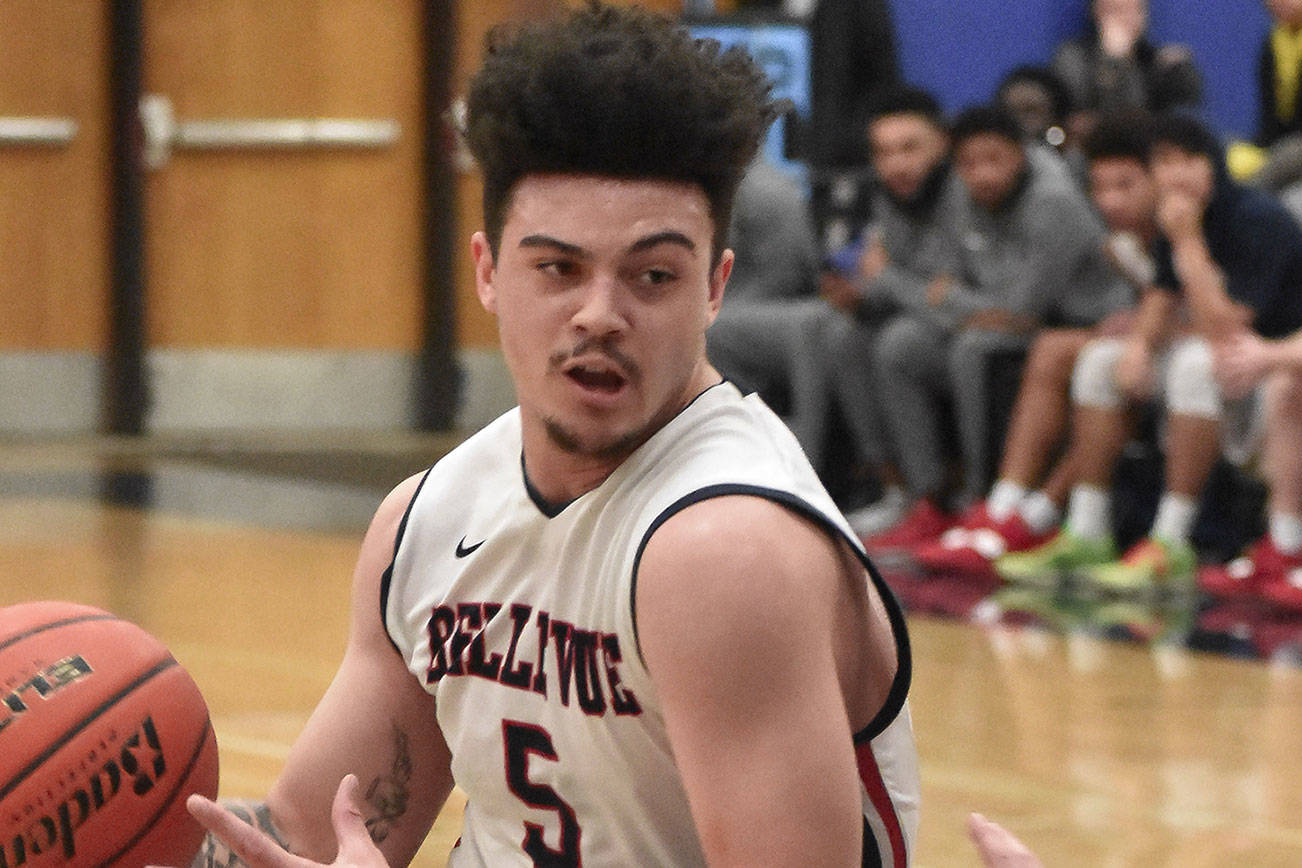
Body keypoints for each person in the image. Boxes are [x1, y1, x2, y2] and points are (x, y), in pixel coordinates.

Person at [182, 5, 919, 867]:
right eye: (558, 268)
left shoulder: (727, 550)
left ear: (714, 286)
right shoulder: (426, 519)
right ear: (490, 272)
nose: (601, 314)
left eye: (651, 275)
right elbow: (308, 835)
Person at [999, 113, 1302, 593]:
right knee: (1101, 361)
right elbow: (1161, 297)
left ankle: (1171, 540)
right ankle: (1087, 529)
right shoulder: (1171, 219)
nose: (1177, 174)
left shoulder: (1256, 218)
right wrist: (1138, 346)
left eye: (1190, 160)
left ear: (1214, 163)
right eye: (1164, 162)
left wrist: (1187, 242)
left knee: (1195, 364)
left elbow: (1224, 327)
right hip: (1236, 364)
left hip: (1269, 364)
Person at [865, 105, 1128, 554]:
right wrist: (953, 300)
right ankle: (927, 498)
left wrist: (920, 289)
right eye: (969, 164)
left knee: (973, 347)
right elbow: (946, 283)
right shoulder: (957, 195)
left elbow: (1020, 310)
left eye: (995, 160)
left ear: (1020, 155)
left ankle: (984, 499)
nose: (982, 175)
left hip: (1081, 325)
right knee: (901, 345)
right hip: (1012, 329)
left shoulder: (1053, 202)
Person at [821, 85, 967, 536]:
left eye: (909, 149)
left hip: (973, 328)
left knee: (898, 344)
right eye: (883, 153)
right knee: (842, 336)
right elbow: (909, 287)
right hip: (923, 318)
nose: (895, 165)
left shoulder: (965, 195)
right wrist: (859, 294)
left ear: (941, 143)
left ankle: (929, 499)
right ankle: (894, 488)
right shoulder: (885, 198)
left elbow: (951, 304)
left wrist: (885, 281)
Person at [705, 159, 832, 470]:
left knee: (708, 330)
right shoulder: (718, 181)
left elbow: (787, 276)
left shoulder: (761, 188)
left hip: (788, 308)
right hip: (750, 309)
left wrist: (717, 307)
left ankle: (787, 464)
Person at [1052, 0, 1201, 142]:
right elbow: (1086, 116)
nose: (1126, 18)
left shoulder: (1157, 61)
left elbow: (1183, 116)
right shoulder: (1073, 57)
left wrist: (1177, 74)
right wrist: (1112, 61)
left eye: (1135, 9)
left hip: (1146, 155)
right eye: (1116, 10)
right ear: (1096, 13)